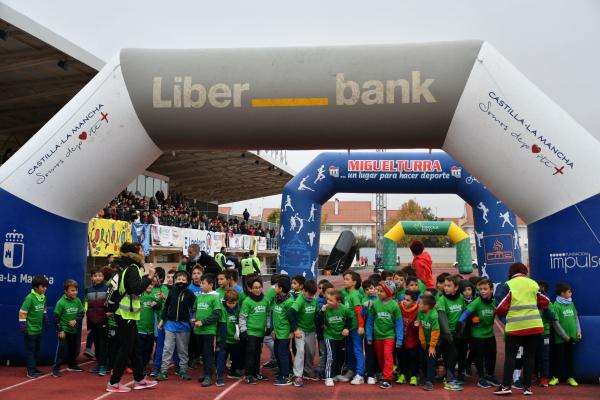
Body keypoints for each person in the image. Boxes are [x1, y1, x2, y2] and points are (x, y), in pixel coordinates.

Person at [107, 242, 157, 393]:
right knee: (126, 348)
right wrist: (149, 277)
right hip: (125, 313)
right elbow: (136, 289)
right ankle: (114, 382)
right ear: (135, 252)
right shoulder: (133, 268)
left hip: (128, 313)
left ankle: (139, 379)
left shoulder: (127, 267)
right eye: (142, 250)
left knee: (135, 348)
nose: (144, 252)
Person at [493, 262, 549, 396]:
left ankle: (506, 386)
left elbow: (500, 306)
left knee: (511, 356)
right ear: (525, 272)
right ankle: (527, 387)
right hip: (534, 325)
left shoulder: (509, 285)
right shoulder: (533, 283)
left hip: (516, 326)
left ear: (511, 273)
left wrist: (508, 313)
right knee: (530, 356)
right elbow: (545, 301)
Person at [458, 278, 500, 388]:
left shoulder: (494, 302)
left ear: (491, 290)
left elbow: (502, 314)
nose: (482, 291)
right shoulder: (477, 302)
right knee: (479, 356)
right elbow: (466, 312)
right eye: (480, 289)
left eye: (485, 289)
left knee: (492, 355)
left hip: (490, 333)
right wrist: (460, 322)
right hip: (477, 335)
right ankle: (481, 378)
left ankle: (490, 375)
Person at [156, 270, 196, 381]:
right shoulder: (172, 292)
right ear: (175, 280)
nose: (181, 281)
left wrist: (194, 318)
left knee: (182, 350)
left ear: (188, 281)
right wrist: (162, 320)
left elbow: (195, 308)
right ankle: (163, 371)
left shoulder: (190, 294)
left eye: (183, 280)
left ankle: (183, 370)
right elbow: (166, 306)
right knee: (167, 348)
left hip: (184, 326)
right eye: (178, 279)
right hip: (170, 324)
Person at [366, 280, 403, 389]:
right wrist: (369, 336)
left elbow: (399, 323)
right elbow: (370, 321)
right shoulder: (375, 304)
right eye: (378, 290)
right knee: (380, 357)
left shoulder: (395, 305)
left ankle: (388, 379)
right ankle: (385, 373)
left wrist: (399, 339)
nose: (378, 293)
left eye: (381, 291)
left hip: (389, 336)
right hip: (377, 336)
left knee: (387, 355)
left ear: (389, 293)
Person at [317, 290, 353, 387]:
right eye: (327, 299)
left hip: (340, 337)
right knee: (331, 356)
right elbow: (318, 320)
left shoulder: (344, 309)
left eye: (331, 300)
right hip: (329, 336)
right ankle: (328, 377)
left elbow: (350, 318)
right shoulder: (325, 309)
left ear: (338, 301)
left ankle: (336, 374)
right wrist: (322, 312)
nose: (328, 302)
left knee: (341, 356)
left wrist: (346, 328)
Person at [549, 282, 582, 387]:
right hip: (561, 339)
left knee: (570, 358)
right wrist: (564, 336)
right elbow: (555, 323)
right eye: (569, 291)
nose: (571, 293)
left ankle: (570, 378)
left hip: (572, 337)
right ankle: (555, 377)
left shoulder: (571, 304)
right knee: (558, 358)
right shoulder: (556, 305)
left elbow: (576, 317)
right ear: (562, 293)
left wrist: (578, 331)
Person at [240, 277, 271, 385]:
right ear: (250, 289)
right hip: (250, 332)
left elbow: (267, 314)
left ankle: (256, 373)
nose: (257, 290)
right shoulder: (247, 301)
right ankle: (248, 375)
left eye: (259, 287)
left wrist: (268, 326)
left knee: (258, 353)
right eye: (255, 288)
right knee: (250, 353)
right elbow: (242, 317)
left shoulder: (265, 300)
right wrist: (243, 331)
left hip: (260, 332)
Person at [437, 274, 466, 391]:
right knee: (452, 355)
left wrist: (461, 329)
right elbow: (442, 316)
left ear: (456, 287)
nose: (446, 288)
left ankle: (448, 377)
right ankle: (449, 381)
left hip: (456, 333)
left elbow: (464, 314)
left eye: (449, 286)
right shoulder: (442, 299)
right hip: (445, 334)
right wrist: (447, 334)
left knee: (453, 355)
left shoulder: (461, 298)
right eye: (445, 285)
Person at [193, 273, 222, 387]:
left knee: (208, 353)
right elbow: (195, 309)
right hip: (199, 330)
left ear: (210, 284)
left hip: (209, 330)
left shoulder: (215, 297)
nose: (200, 285)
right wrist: (194, 319)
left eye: (203, 283)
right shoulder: (199, 296)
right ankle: (205, 373)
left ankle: (209, 376)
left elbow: (217, 314)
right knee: (202, 354)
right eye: (200, 283)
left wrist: (203, 322)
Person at [52, 279, 84, 377]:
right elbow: (55, 317)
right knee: (61, 349)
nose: (75, 292)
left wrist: (76, 320)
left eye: (76, 290)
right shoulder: (61, 302)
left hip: (73, 330)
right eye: (72, 290)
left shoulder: (77, 301)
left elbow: (82, 313)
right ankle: (56, 369)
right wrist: (60, 330)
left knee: (72, 348)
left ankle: (72, 365)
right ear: (66, 291)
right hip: (64, 330)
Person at [19, 275, 49, 378]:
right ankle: (30, 371)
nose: (45, 288)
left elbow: (44, 308)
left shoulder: (43, 297)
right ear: (36, 287)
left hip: (38, 330)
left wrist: (45, 317)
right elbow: (22, 312)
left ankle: (34, 367)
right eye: (43, 286)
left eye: (46, 286)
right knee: (30, 350)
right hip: (30, 330)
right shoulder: (30, 298)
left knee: (36, 350)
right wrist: (23, 325)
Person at [290, 279, 319, 386]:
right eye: (309, 294)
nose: (311, 296)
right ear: (303, 291)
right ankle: (298, 376)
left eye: (313, 294)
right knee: (301, 351)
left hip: (311, 330)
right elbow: (291, 313)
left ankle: (308, 370)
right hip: (300, 330)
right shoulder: (300, 300)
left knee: (311, 352)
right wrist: (295, 329)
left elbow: (316, 314)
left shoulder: (314, 300)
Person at [341, 271, 365, 384]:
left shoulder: (354, 295)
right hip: (349, 329)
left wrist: (360, 326)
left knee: (357, 350)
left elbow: (359, 312)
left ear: (354, 282)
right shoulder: (348, 295)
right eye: (344, 279)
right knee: (350, 350)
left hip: (355, 328)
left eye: (347, 279)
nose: (344, 281)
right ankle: (351, 371)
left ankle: (360, 374)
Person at [85, 267, 109, 376]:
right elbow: (87, 304)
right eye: (95, 276)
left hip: (103, 320)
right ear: (92, 277)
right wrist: (87, 315)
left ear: (103, 277)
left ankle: (104, 365)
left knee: (103, 344)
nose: (97, 277)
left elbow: (109, 304)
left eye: (100, 275)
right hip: (92, 320)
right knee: (96, 343)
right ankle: (99, 364)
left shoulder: (107, 289)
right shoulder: (89, 290)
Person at [271, 276, 295, 386]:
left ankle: (286, 376)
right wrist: (273, 329)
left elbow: (292, 318)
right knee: (277, 352)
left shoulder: (289, 302)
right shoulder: (277, 298)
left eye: (276, 286)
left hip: (284, 332)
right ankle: (283, 371)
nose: (274, 287)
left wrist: (291, 331)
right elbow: (274, 314)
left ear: (280, 288)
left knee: (283, 353)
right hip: (277, 331)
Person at [216, 289, 243, 383]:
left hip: (235, 339)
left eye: (233, 303)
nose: (231, 305)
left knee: (236, 356)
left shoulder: (238, 308)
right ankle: (219, 376)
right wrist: (222, 340)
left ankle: (233, 371)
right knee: (221, 357)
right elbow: (223, 325)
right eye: (229, 303)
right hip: (224, 339)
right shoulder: (223, 309)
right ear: (225, 301)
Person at [418, 294, 440, 391]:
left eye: (421, 303)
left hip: (434, 343)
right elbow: (421, 327)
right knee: (423, 359)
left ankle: (430, 381)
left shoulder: (433, 316)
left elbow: (435, 332)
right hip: (425, 342)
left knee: (431, 360)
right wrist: (423, 341)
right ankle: (426, 376)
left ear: (427, 306)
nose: (419, 304)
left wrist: (432, 346)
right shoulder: (421, 312)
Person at [397, 290, 420, 386]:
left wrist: (416, 326)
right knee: (402, 357)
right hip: (401, 338)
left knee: (413, 357)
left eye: (407, 300)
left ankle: (413, 376)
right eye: (404, 299)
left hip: (413, 339)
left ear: (414, 302)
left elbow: (418, 328)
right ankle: (402, 374)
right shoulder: (398, 306)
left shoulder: (418, 309)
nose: (404, 302)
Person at [138, 283, 157, 371]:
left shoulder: (155, 296)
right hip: (140, 329)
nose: (149, 286)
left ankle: (144, 366)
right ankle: (139, 367)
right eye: (147, 284)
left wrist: (157, 304)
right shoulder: (139, 296)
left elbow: (160, 306)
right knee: (140, 350)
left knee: (148, 350)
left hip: (150, 330)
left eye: (151, 285)